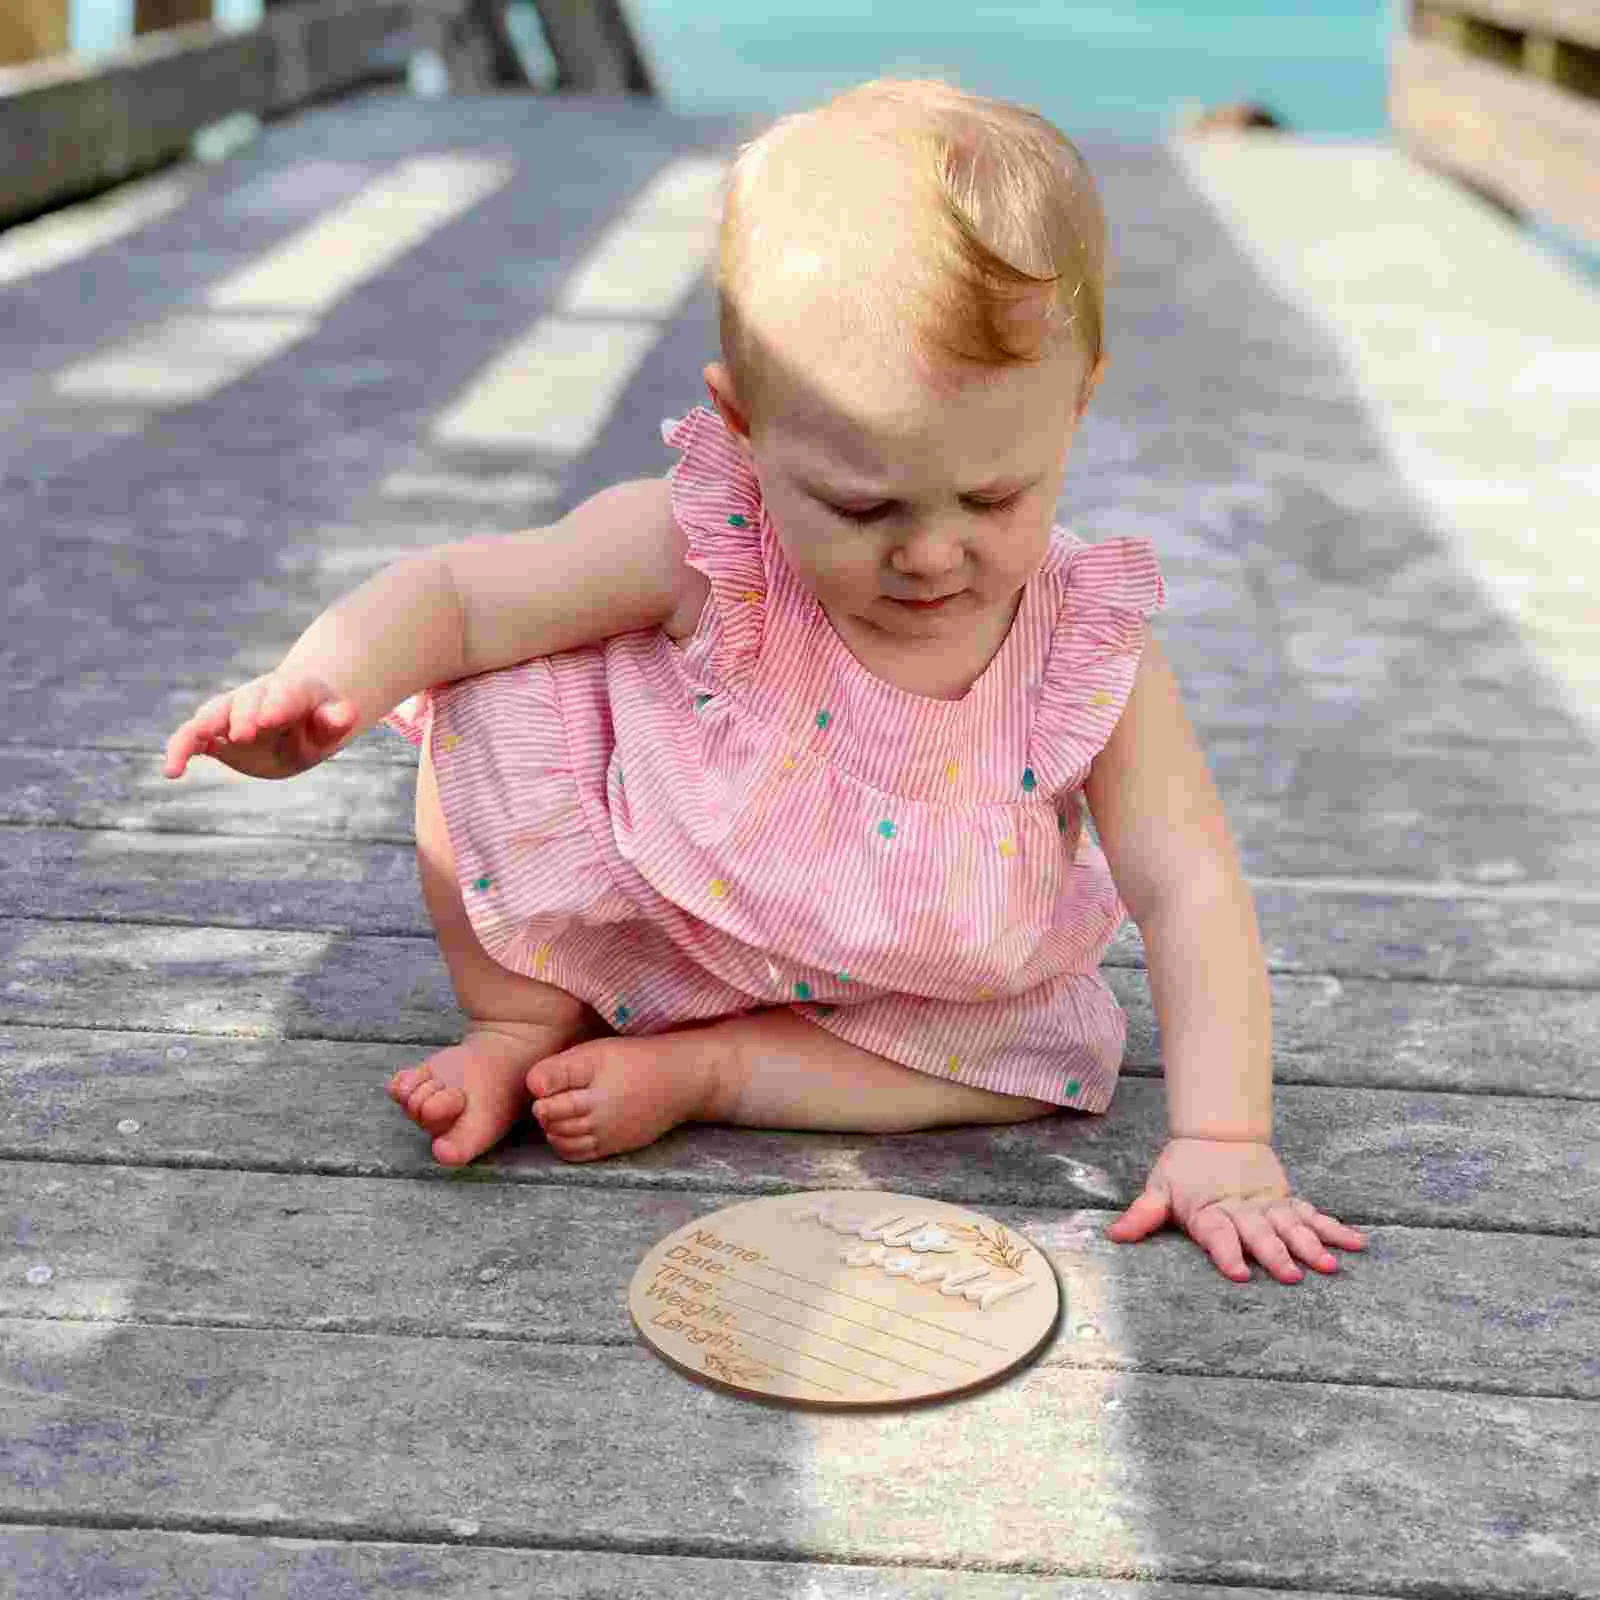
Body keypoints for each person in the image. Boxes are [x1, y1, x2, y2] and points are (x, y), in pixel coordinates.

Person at [163, 78, 1366, 1285]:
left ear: (1078, 404)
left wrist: (1223, 1137)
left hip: (920, 974)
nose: (933, 552)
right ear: (743, 428)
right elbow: (461, 597)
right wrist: (324, 683)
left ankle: (717, 1069)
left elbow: (1187, 881)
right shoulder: (703, 540)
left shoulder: (1080, 637)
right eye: (862, 505)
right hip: (672, 898)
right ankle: (521, 1018)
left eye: (995, 496)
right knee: (489, 688)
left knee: (1024, 1059)